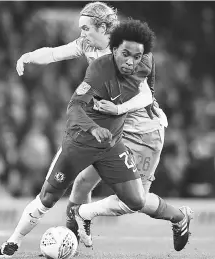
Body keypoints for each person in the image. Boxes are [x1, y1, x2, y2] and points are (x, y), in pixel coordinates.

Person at [14, 1, 192, 252]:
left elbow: (145, 96)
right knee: (81, 182)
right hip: (114, 130)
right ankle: (72, 237)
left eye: (86, 28)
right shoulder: (88, 45)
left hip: (143, 132)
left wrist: (118, 109)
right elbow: (55, 53)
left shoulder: (131, 52)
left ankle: (178, 217)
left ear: (103, 28)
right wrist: (28, 57)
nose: (82, 35)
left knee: (135, 201)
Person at [0, 18, 158, 258]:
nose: (131, 61)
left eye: (137, 56)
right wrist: (93, 128)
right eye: (125, 54)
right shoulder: (99, 69)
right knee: (47, 199)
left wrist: (147, 101)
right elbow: (74, 107)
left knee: (135, 200)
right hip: (80, 143)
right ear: (114, 50)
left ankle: (83, 213)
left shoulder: (145, 62)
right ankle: (12, 243)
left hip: (111, 145)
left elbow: (148, 86)